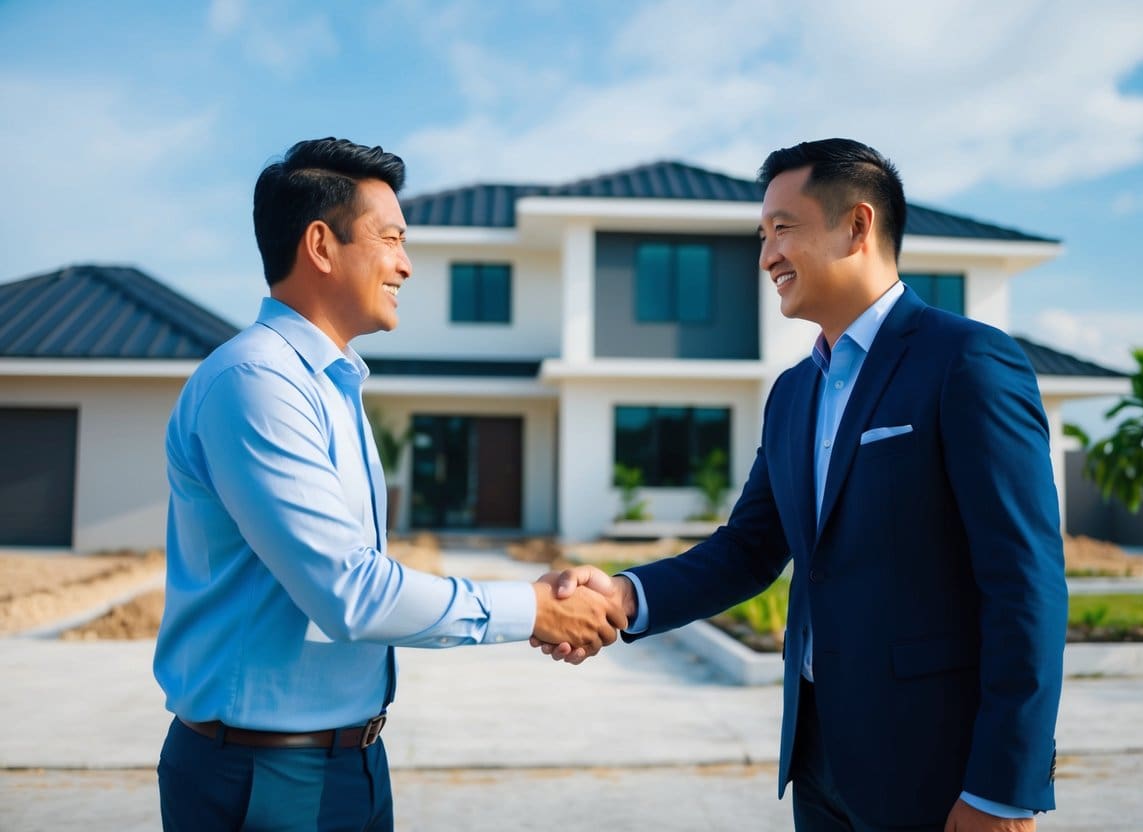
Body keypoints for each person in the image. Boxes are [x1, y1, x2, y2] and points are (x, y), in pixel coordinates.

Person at [539, 139, 1068, 831]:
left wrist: (1003, 789)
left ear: (857, 225)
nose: (766, 257)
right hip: (817, 757)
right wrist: (622, 596)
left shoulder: (967, 362)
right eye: (762, 237)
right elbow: (749, 549)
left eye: (782, 229)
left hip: (935, 765)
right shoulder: (793, 392)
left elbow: (1025, 582)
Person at [154, 137, 624, 831]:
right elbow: (350, 594)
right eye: (392, 239)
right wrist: (533, 609)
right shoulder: (257, 382)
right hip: (269, 776)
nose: (406, 264)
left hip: (349, 759)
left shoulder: (329, 384)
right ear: (321, 245)